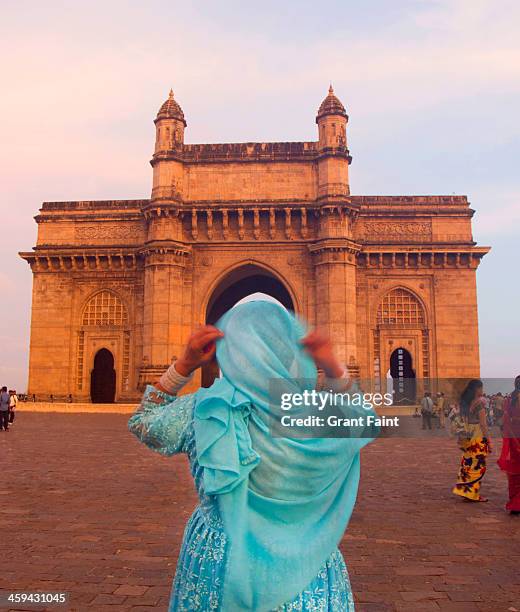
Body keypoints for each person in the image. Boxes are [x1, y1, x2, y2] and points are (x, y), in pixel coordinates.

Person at [128, 301, 377, 611]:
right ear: (290, 352)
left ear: (229, 351)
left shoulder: (204, 409)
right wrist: (332, 364)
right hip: (306, 562)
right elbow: (365, 419)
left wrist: (184, 365)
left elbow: (143, 421)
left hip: (222, 561)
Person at [452, 379, 491, 502]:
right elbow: (483, 424)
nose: (482, 390)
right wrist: (488, 439)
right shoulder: (479, 403)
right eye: (481, 388)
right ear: (477, 389)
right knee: (477, 465)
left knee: (468, 462)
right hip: (477, 435)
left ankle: (465, 491)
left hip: (467, 435)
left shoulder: (465, 403)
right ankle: (472, 494)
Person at [497, 375, 520, 514]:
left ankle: (515, 502)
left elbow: (507, 421)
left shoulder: (510, 399)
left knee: (515, 470)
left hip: (513, 438)